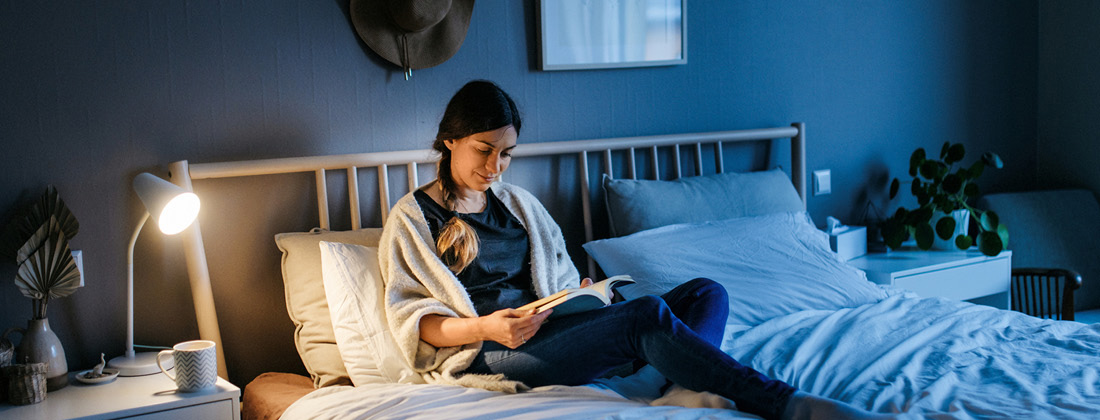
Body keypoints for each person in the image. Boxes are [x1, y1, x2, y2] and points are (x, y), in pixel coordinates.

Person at [377, 80, 893, 420]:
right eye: (483, 150)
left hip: (550, 329)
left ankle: (668, 382)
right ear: (450, 141)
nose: (495, 167)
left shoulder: (518, 204)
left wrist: (577, 293)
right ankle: (788, 404)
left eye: (507, 154)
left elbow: (553, 276)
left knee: (705, 293)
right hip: (491, 351)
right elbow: (413, 316)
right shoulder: (413, 218)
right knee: (646, 315)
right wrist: (487, 328)